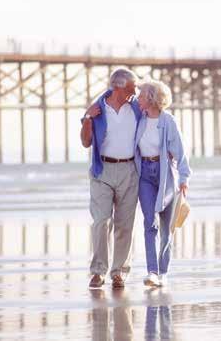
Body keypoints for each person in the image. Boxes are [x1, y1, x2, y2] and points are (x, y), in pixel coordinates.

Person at [80, 68, 142, 289]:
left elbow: (155, 124)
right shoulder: (98, 108)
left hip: (129, 171)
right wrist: (87, 118)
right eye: (132, 86)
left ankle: (119, 272)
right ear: (117, 86)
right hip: (102, 170)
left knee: (125, 224)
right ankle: (98, 271)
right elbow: (86, 142)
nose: (136, 90)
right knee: (101, 221)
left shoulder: (137, 107)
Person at [135, 79, 192, 287]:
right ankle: (152, 271)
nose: (137, 98)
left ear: (150, 98)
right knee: (150, 223)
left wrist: (184, 178)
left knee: (167, 228)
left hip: (166, 174)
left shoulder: (168, 121)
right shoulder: (139, 118)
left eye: (141, 95)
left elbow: (180, 152)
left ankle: (163, 272)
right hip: (145, 175)